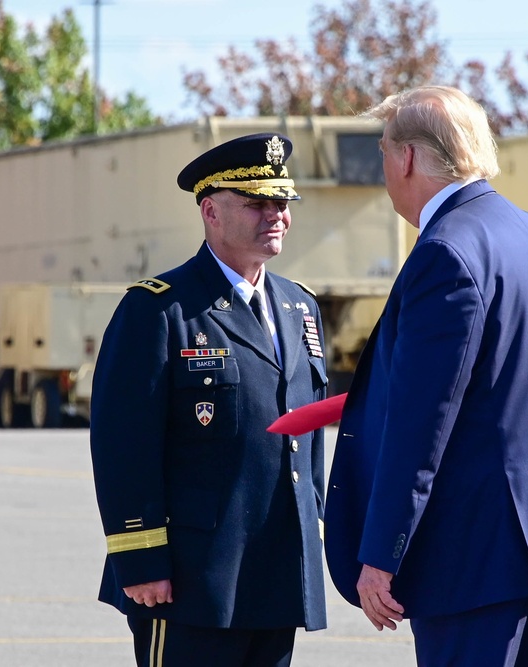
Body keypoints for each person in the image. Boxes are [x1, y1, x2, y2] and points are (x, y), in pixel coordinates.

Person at [323, 86, 528, 666]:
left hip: (477, 556)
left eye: (382, 150)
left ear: (406, 157)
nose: (383, 167)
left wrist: (381, 555)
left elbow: (421, 424)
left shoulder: (446, 252)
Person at [89, 133, 328, 667]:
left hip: (276, 574)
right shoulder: (159, 310)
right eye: (257, 203)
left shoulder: (300, 307)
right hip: (189, 579)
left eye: (282, 203)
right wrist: (141, 555)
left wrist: (314, 536)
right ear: (211, 211)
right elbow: (123, 444)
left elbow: (306, 440)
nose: (277, 216)